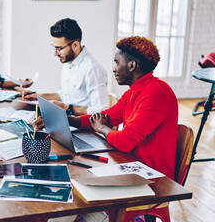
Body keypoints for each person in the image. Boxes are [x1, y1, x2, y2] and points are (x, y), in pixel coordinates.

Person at [39, 36, 178, 222]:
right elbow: (103, 117)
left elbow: (125, 141)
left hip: (151, 177)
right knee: (75, 184)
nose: (113, 68)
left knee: (75, 187)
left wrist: (103, 128)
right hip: (130, 165)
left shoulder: (156, 94)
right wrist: (66, 119)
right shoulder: (134, 92)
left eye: (116, 62)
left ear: (131, 66)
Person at [23, 18, 109, 116]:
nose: (55, 54)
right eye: (54, 48)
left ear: (75, 45)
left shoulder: (93, 69)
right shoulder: (68, 63)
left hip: (83, 128)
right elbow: (65, 95)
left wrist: (68, 108)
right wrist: (39, 97)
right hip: (67, 122)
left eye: (59, 49)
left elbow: (101, 111)